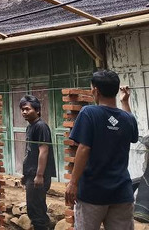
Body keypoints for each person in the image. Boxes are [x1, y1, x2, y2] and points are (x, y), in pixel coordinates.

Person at [65, 70, 138, 230]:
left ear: (95, 91)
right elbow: (129, 126)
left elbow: (84, 149)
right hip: (121, 193)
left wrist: (73, 183)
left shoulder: (89, 113)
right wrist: (125, 102)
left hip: (92, 193)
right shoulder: (128, 118)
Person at [19, 95, 56, 230]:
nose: (24, 112)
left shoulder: (41, 126)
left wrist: (40, 175)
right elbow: (29, 152)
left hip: (39, 175)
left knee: (37, 210)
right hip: (32, 174)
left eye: (27, 109)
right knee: (34, 208)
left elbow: (43, 151)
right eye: (22, 109)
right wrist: (26, 173)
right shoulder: (30, 127)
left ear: (37, 110)